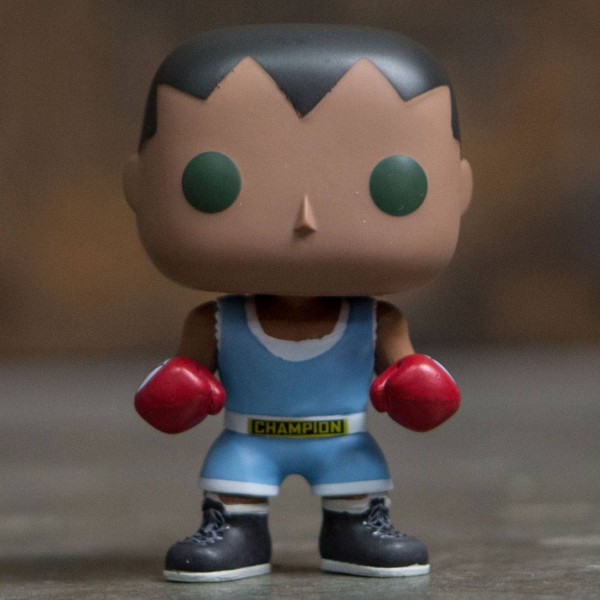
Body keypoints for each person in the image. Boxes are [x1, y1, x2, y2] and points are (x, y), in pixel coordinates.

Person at [123, 24, 472, 582]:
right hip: (248, 440)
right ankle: (233, 527)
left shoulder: (376, 321)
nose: (305, 217)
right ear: (139, 186)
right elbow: (174, 384)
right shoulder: (216, 322)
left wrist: (415, 387)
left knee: (356, 480)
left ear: (458, 189)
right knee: (234, 481)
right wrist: (179, 391)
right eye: (214, 183)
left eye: (392, 184)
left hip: (343, 441)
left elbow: (415, 380)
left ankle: (357, 526)